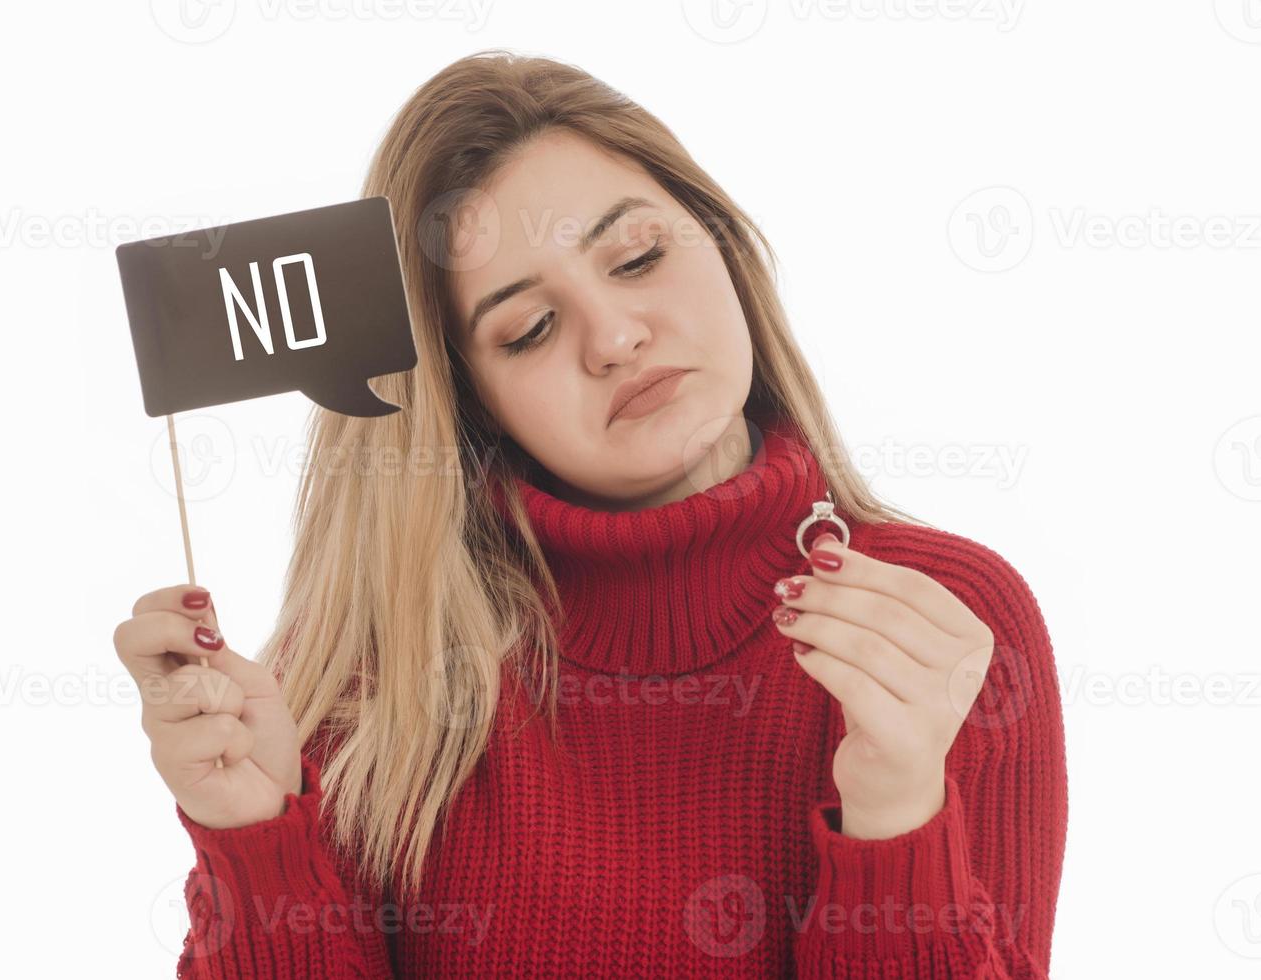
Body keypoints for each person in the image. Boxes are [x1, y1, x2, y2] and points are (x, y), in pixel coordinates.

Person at [112, 49, 1067, 979]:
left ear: (721, 242)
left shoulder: (944, 620)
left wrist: (897, 812)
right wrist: (255, 844)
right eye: (528, 329)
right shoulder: (373, 669)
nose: (614, 339)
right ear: (469, 396)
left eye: (639, 256)